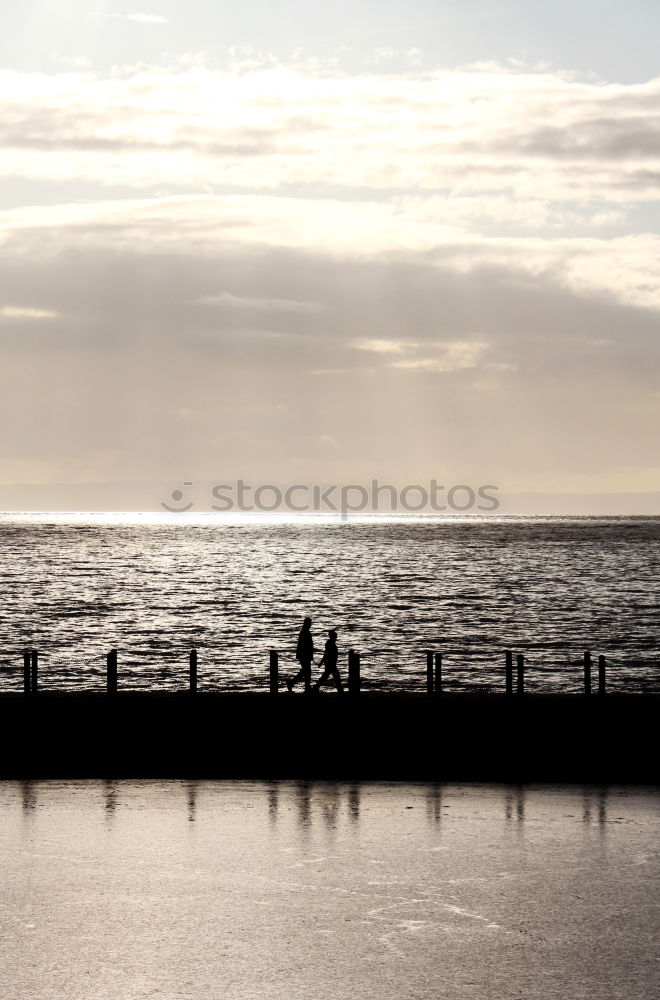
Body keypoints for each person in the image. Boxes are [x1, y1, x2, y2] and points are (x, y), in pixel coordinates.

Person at [286, 617, 314, 693]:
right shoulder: (305, 632)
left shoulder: (304, 631)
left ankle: (305, 687)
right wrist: (307, 655)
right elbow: (304, 645)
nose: (310, 625)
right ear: (307, 623)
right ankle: (292, 683)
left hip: (304, 655)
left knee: (306, 671)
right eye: (310, 623)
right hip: (305, 655)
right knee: (306, 671)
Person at [313, 629, 344, 694]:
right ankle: (340, 691)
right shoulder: (330, 644)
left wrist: (322, 662)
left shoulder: (330, 643)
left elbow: (326, 654)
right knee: (336, 677)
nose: (336, 638)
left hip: (330, 663)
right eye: (335, 637)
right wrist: (321, 662)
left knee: (326, 676)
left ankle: (316, 687)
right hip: (331, 664)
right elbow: (326, 654)